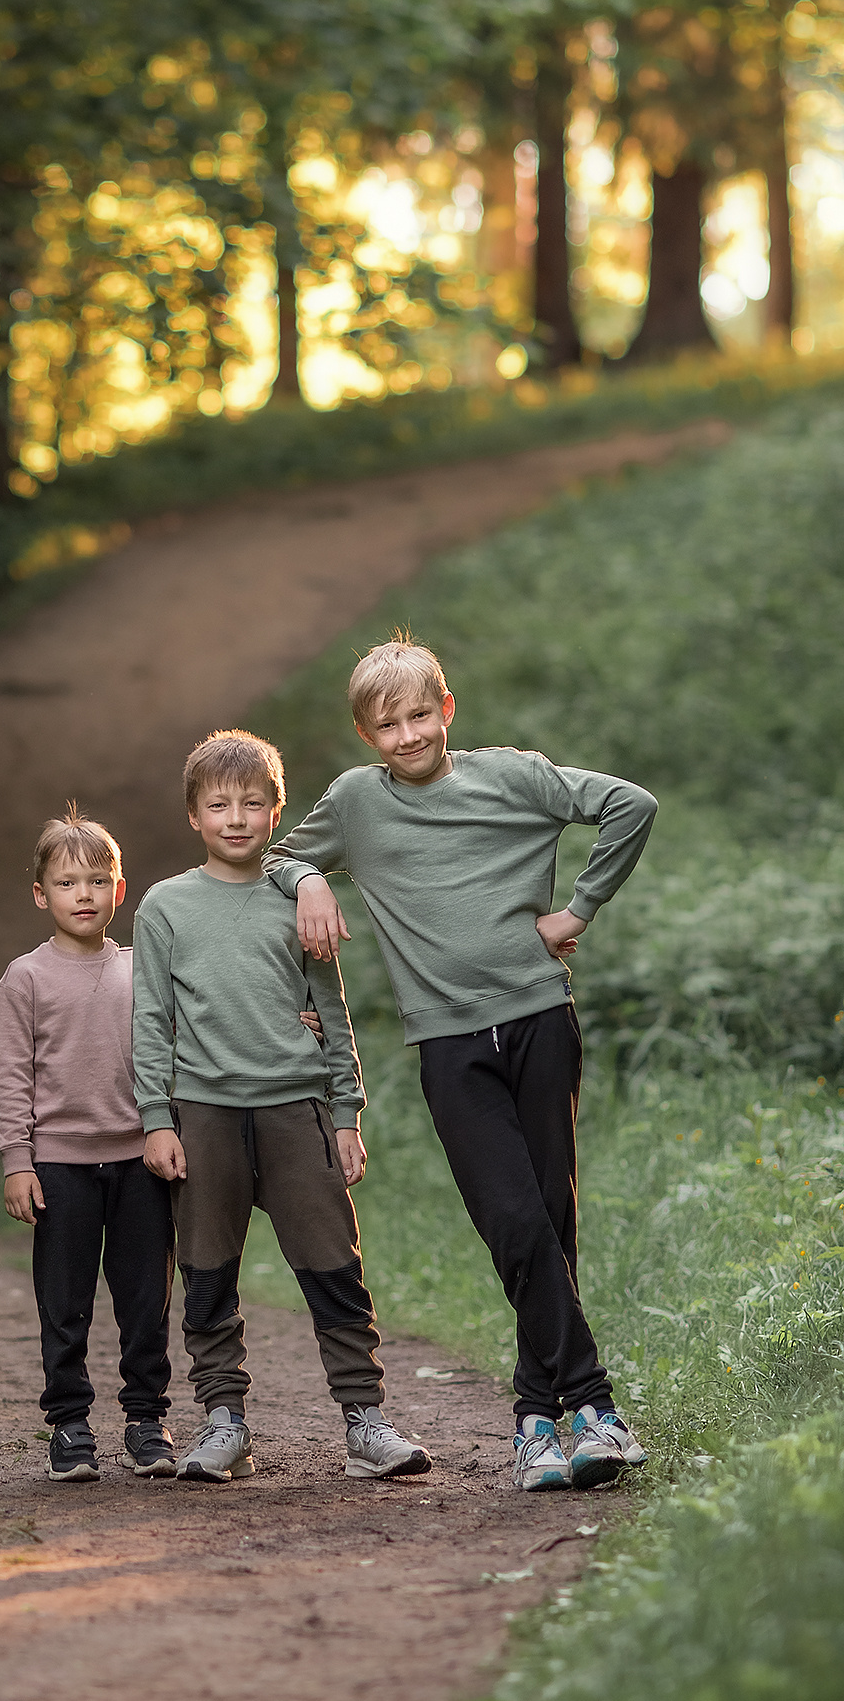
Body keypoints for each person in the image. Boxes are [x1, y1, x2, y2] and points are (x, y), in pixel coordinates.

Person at [263, 636, 656, 1494]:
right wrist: (310, 881)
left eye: (419, 715)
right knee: (511, 1219)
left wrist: (578, 911)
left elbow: (631, 804)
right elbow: (272, 858)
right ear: (366, 734)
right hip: (447, 1042)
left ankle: (538, 1423)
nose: (407, 735)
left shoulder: (514, 776)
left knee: (549, 1218)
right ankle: (593, 1404)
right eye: (387, 724)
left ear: (447, 709)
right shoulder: (355, 804)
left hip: (540, 1021)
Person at [134, 728, 431, 1485]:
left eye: (252, 804)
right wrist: (157, 1119)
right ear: (193, 815)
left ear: (277, 810)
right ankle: (223, 1422)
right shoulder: (165, 906)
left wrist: (347, 1113)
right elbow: (150, 1021)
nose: (236, 819)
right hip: (203, 1114)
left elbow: (330, 1010)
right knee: (207, 1274)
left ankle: (365, 1421)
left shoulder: (299, 898)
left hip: (297, 1111)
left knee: (334, 1267)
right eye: (218, 805)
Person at [0, 809, 177, 1482]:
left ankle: (147, 1420)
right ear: (40, 894)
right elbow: (12, 1075)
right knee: (65, 1301)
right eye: (67, 883)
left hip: (140, 1160)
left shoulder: (143, 970)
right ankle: (69, 1426)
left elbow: (187, 1037)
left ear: (119, 891)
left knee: (146, 1301)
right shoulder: (25, 978)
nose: (84, 895)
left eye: (98, 881)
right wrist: (17, 1161)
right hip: (59, 1166)